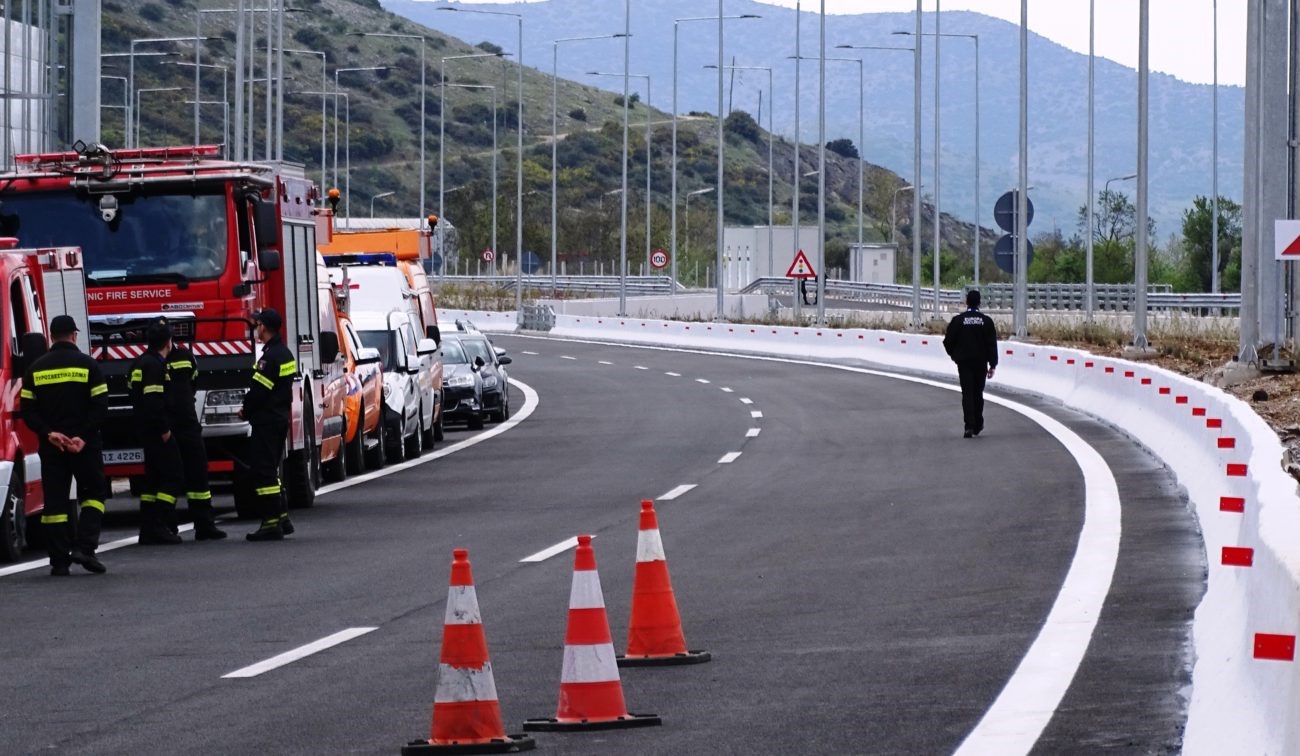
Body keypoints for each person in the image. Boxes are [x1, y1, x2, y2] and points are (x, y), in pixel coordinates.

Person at [19, 315, 110, 575]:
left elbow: (28, 410)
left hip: (52, 446)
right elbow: (100, 406)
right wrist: (82, 435)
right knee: (93, 494)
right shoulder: (89, 366)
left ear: (51, 336)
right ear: (73, 335)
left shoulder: (35, 369)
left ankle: (59, 561)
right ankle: (85, 548)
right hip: (85, 444)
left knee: (55, 503)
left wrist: (49, 433)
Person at [242, 308, 297, 542]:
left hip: (266, 421)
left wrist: (245, 408)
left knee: (263, 471)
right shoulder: (284, 353)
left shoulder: (269, 358)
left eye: (257, 324)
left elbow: (259, 391)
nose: (256, 328)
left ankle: (270, 523)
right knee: (271, 469)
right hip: (278, 419)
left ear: (264, 327)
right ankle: (282, 518)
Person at [165, 331, 226, 540]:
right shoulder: (158, 361)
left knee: (197, 475)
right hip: (175, 426)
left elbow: (192, 385)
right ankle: (169, 527)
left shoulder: (150, 362)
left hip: (179, 426)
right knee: (171, 478)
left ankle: (203, 525)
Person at [129, 320, 184, 545]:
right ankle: (159, 524)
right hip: (157, 431)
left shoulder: (140, 363)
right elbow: (153, 402)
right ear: (168, 342)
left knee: (152, 481)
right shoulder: (154, 366)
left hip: (145, 430)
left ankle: (149, 527)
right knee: (174, 476)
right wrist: (164, 430)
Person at [943, 289, 999, 438]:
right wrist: (992, 364)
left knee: (967, 393)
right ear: (979, 302)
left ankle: (969, 425)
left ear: (966, 302)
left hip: (964, 363)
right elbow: (991, 344)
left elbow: (948, 341)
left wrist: (955, 356)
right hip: (981, 363)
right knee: (977, 393)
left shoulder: (958, 320)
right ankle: (978, 424)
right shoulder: (986, 321)